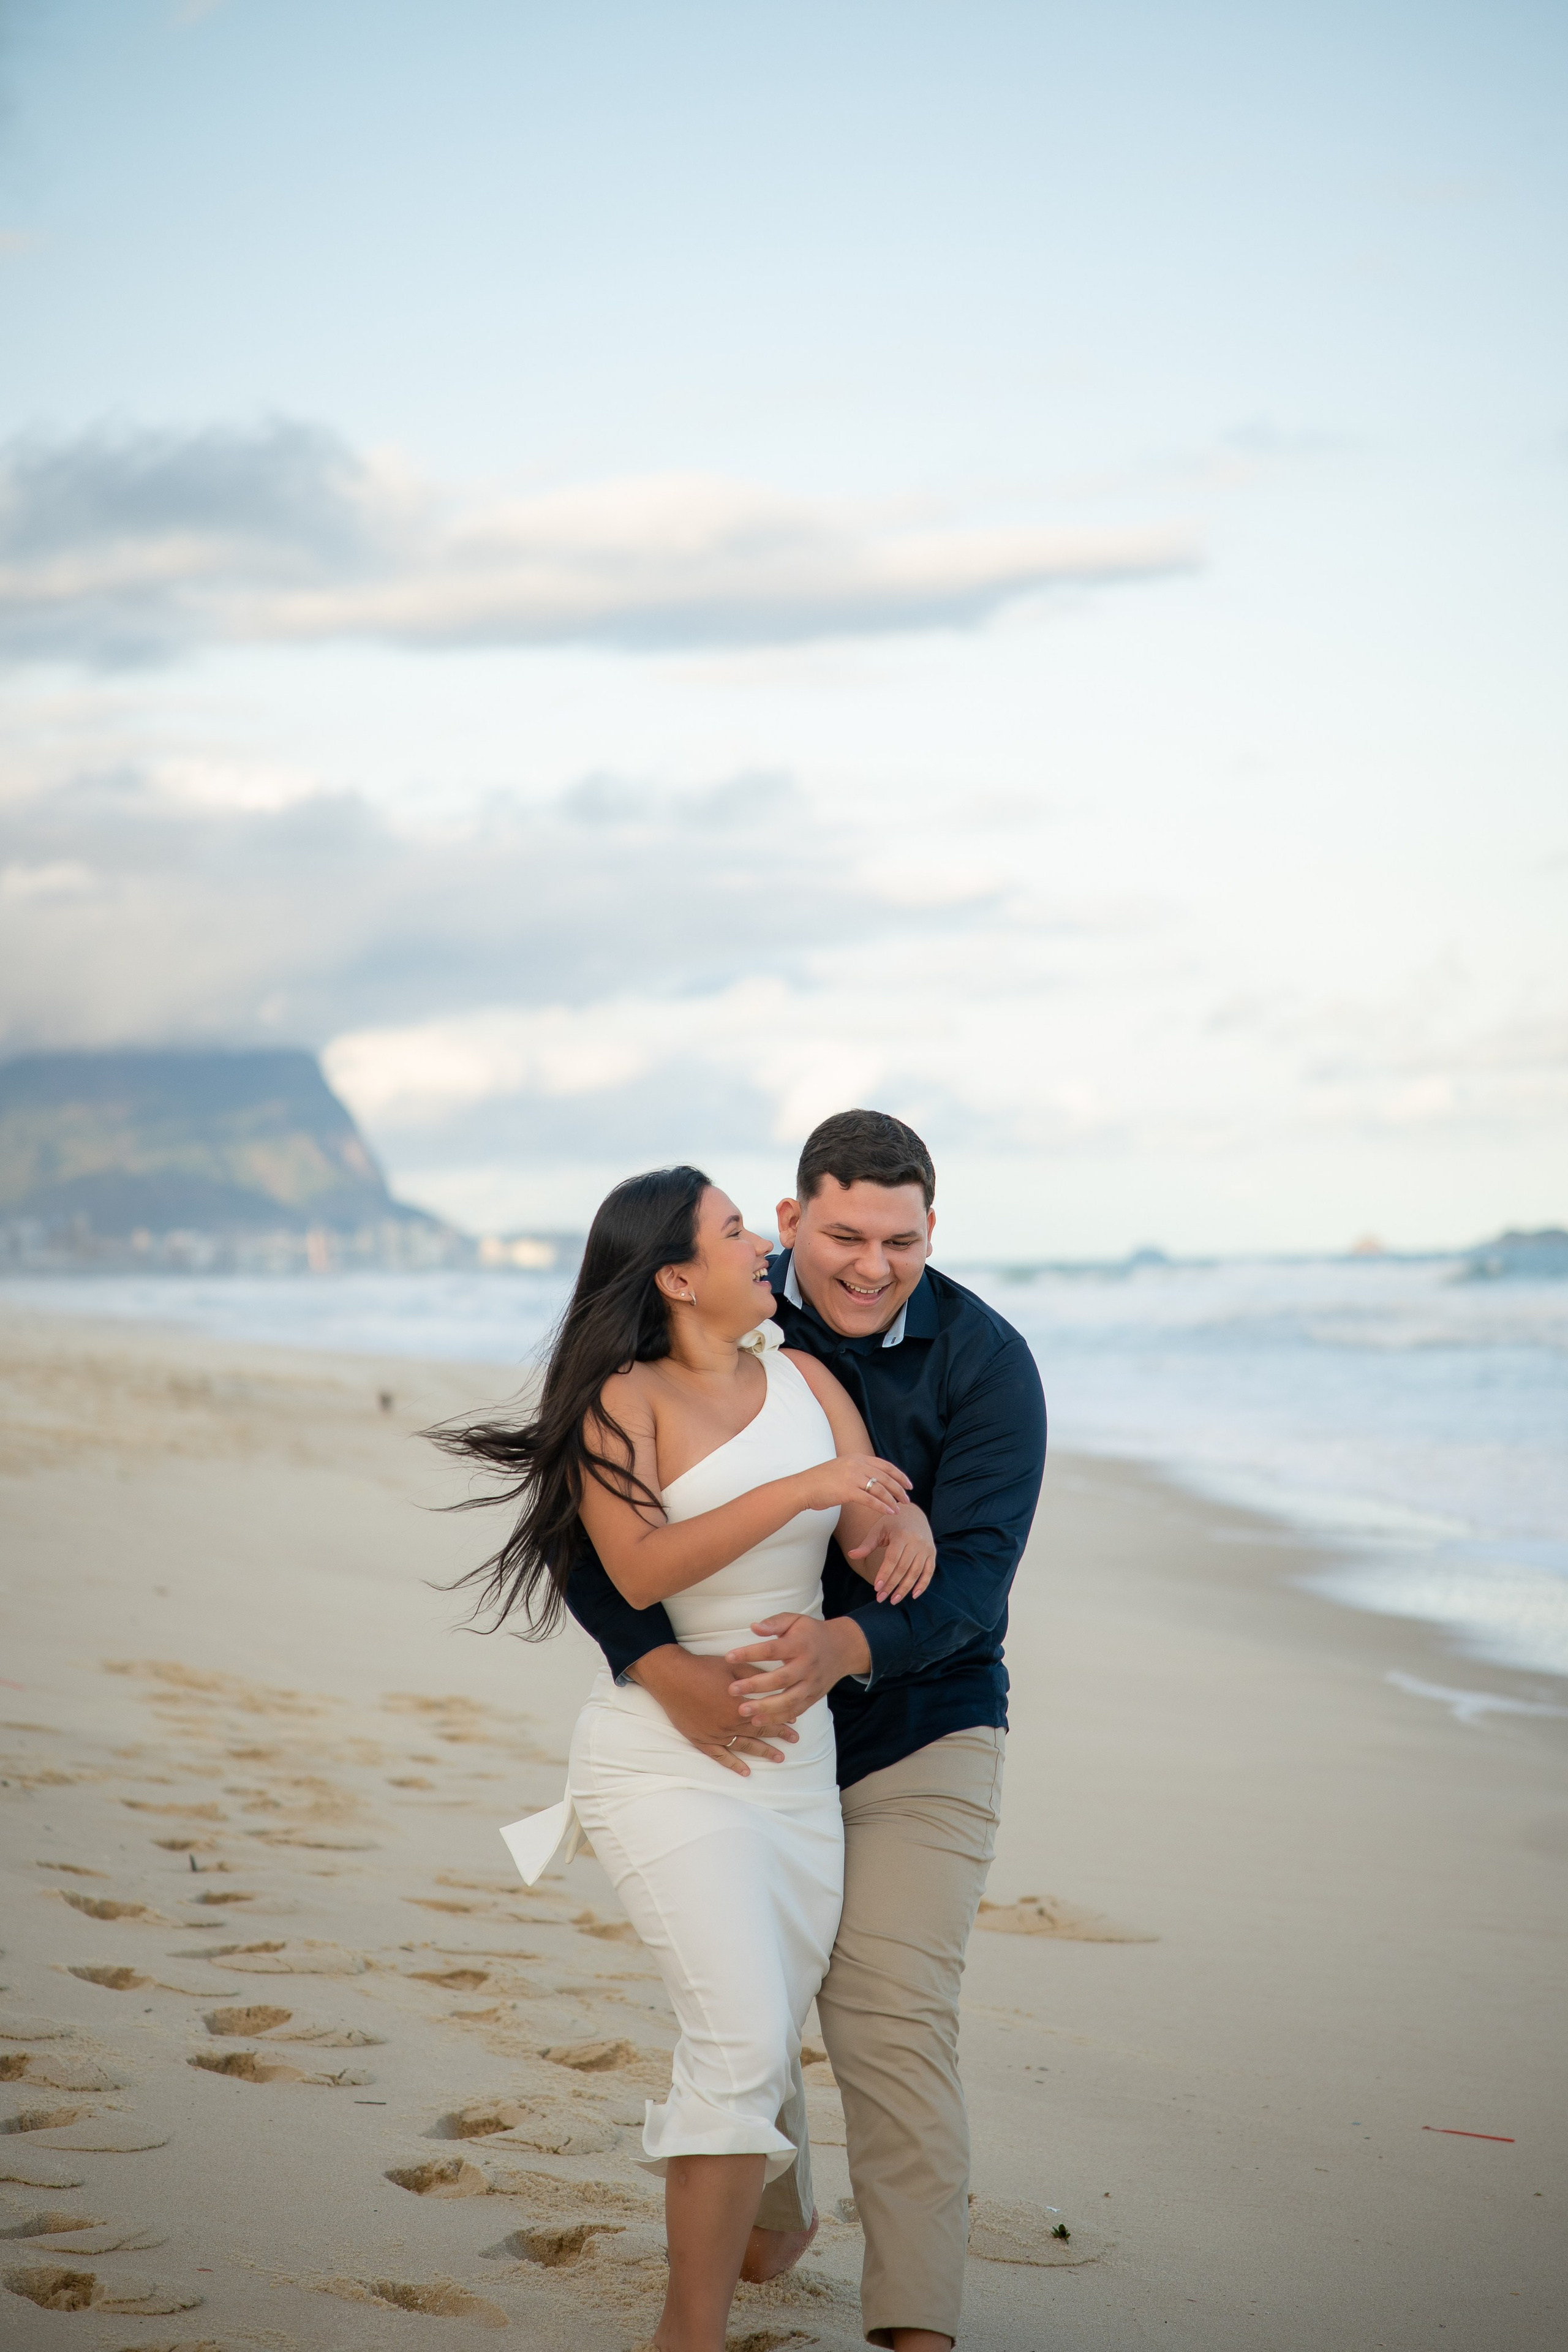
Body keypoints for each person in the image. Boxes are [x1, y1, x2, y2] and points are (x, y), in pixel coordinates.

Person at [434, 1164, 941, 2352]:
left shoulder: (809, 1378)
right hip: (662, 1761)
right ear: (674, 1276)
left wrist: (893, 1522)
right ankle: (685, 2336)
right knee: (736, 2037)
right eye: (730, 1232)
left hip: (794, 1766)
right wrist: (806, 1486)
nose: (756, 1246)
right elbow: (642, 1575)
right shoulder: (625, 1402)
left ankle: (756, 2226)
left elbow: (861, 1521)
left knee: (755, 2042)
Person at [568, 1110, 1048, 2352]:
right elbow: (596, 1537)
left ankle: (915, 2330)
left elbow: (969, 1586)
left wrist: (858, 1621)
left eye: (899, 1241)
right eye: (839, 1234)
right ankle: (768, 2214)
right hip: (740, 1730)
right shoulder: (725, 1317)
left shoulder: (987, 1367)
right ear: (789, 1225)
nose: (869, 1265)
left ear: (931, 1233)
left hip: (920, 1722)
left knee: (887, 2011)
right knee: (750, 2003)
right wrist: (654, 1668)